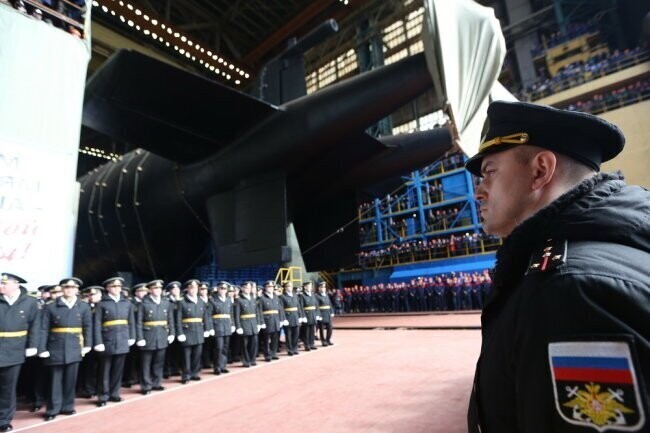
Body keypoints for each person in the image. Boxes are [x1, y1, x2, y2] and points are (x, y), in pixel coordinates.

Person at [464, 101, 649, 433]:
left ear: (540, 171)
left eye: (489, 172)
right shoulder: (607, 252)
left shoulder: (571, 292)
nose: (479, 191)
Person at [38, 278, 92, 421]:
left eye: (72, 287)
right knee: (55, 380)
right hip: (55, 345)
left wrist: (88, 345)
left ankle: (67, 406)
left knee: (70, 379)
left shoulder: (83, 306)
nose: (69, 289)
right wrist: (42, 348)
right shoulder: (51, 306)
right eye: (66, 287)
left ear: (77, 290)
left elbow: (88, 327)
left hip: (75, 345)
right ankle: (52, 409)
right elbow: (43, 329)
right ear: (62, 289)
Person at [0, 273, 40, 433]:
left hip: (15, 349)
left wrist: (33, 345)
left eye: (4, 283)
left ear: (15, 284)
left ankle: (3, 420)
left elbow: (35, 325)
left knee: (8, 388)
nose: (1, 286)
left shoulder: (30, 302)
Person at [93, 277, 136, 407]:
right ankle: (103, 395)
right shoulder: (101, 304)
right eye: (113, 286)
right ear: (107, 288)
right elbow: (97, 325)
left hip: (122, 338)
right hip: (107, 339)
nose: (117, 289)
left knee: (118, 369)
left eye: (119, 286)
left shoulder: (126, 303)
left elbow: (131, 322)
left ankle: (114, 393)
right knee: (104, 369)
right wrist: (98, 342)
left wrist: (132, 337)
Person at [136, 280, 175, 394]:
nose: (157, 290)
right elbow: (139, 322)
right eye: (154, 288)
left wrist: (172, 333)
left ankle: (157, 383)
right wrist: (140, 338)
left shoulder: (165, 303)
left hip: (162, 335)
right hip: (148, 335)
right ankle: (146, 386)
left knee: (159, 362)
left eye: (159, 288)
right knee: (146, 363)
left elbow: (170, 319)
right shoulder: (143, 303)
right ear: (150, 290)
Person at [175, 280, 212, 384]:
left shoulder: (201, 301)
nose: (193, 290)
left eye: (195, 288)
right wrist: (180, 333)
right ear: (187, 289)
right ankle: (186, 375)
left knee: (197, 355)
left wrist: (207, 329)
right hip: (187, 331)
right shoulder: (182, 302)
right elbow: (178, 319)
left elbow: (205, 317)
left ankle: (195, 373)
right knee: (186, 356)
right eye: (191, 288)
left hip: (199, 331)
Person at [233, 282, 262, 367]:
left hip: (253, 323)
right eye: (245, 288)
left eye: (249, 288)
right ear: (242, 289)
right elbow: (236, 314)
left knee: (254, 343)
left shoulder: (253, 298)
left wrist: (259, 323)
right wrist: (238, 326)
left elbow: (257, 312)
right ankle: (246, 361)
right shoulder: (239, 300)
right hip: (244, 324)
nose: (247, 289)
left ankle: (252, 359)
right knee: (244, 344)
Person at [208, 282, 234, 375]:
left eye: (225, 289)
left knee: (225, 347)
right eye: (221, 288)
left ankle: (223, 366)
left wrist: (232, 325)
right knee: (218, 347)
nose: (223, 290)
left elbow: (231, 314)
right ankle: (217, 367)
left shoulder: (228, 299)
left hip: (227, 325)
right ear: (217, 289)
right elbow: (208, 315)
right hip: (217, 326)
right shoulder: (212, 300)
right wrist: (210, 328)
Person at [258, 281, 286, 362]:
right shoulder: (262, 298)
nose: (271, 288)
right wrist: (262, 322)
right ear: (265, 288)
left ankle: (273, 353)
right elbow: (259, 311)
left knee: (275, 339)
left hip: (276, 320)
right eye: (269, 287)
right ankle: (267, 355)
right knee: (266, 340)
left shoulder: (276, 297)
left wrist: (281, 319)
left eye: (272, 287)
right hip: (267, 321)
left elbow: (280, 309)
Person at [280, 281, 303, 356]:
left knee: (296, 334)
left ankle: (295, 348)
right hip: (288, 317)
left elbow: (298, 306)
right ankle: (290, 349)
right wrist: (283, 319)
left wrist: (300, 316)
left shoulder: (295, 295)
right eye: (288, 286)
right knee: (289, 335)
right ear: (285, 288)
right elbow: (281, 309)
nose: (290, 287)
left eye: (291, 286)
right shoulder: (282, 297)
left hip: (295, 316)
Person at [315, 281, 334, 346]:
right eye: (322, 287)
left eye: (324, 287)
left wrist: (332, 311)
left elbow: (330, 304)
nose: (323, 288)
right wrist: (319, 315)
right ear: (319, 288)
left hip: (328, 314)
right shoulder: (317, 296)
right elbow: (317, 307)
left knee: (330, 328)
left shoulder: (326, 295)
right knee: (321, 329)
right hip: (322, 314)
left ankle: (328, 339)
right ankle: (323, 341)